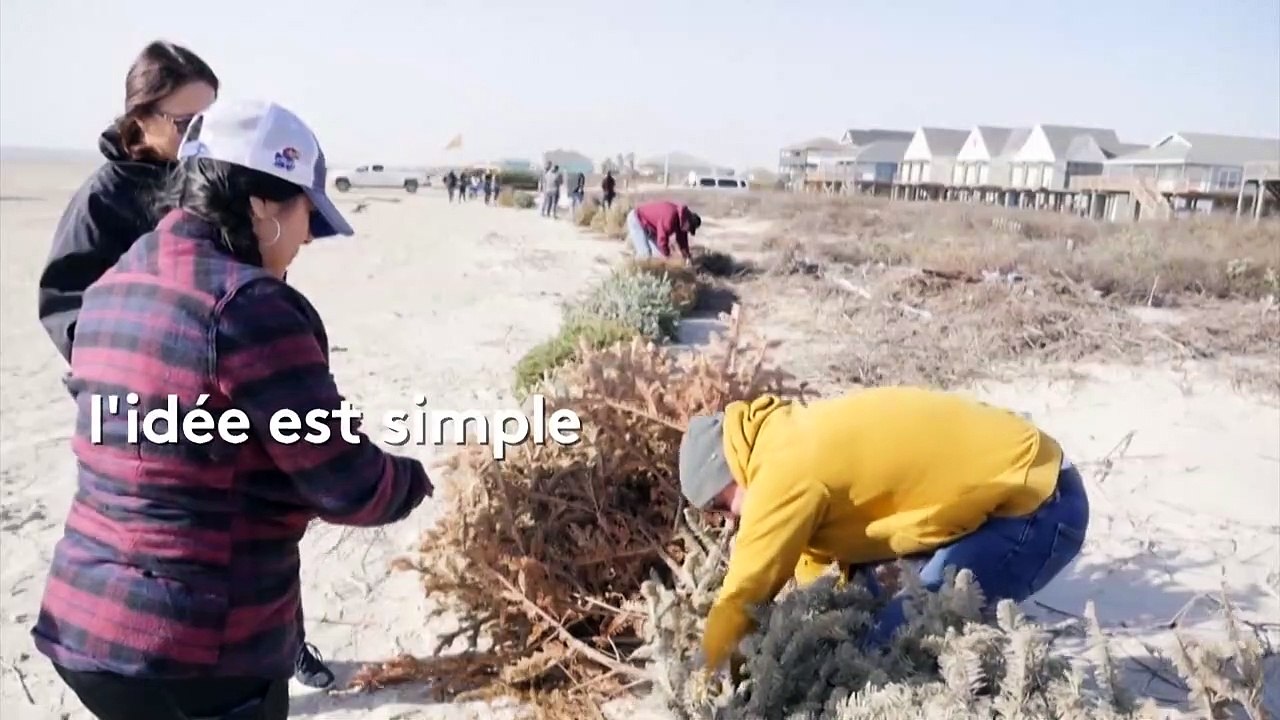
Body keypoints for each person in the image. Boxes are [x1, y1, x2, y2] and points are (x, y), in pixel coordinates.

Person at [31, 100, 434, 720]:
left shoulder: (114, 283)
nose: (307, 239)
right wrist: (414, 480)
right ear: (263, 205)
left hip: (84, 629)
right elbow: (347, 484)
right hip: (195, 653)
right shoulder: (249, 306)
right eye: (307, 215)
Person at [677, 386, 1090, 673]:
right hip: (1028, 479)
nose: (729, 520)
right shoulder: (784, 436)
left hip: (1039, 505)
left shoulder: (783, 472)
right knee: (871, 617)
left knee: (887, 651)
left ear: (726, 473)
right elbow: (815, 567)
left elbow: (743, 593)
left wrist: (706, 678)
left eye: (721, 506)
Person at [38, 41, 219, 363]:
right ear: (141, 120)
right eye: (185, 124)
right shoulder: (104, 197)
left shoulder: (217, 183)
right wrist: (128, 366)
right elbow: (65, 307)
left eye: (210, 122)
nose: (201, 135)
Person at [626, 200, 700, 262]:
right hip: (637, 219)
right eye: (689, 229)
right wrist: (668, 256)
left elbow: (683, 242)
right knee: (645, 254)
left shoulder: (682, 222)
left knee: (658, 256)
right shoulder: (670, 217)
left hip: (650, 227)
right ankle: (633, 269)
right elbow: (662, 240)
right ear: (688, 223)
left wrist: (687, 257)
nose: (688, 231)